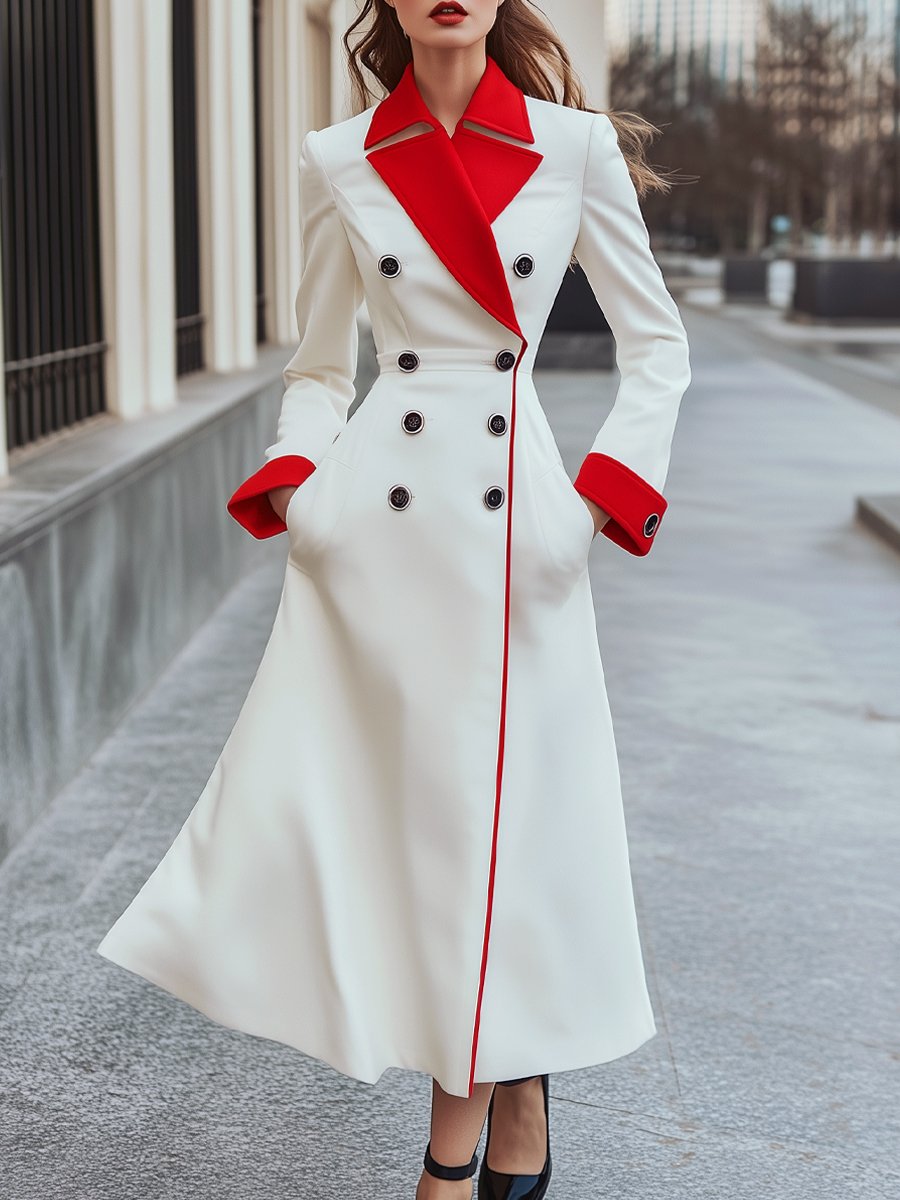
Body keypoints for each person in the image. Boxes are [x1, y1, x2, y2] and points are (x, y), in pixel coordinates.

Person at [96, 2, 692, 1198]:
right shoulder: (340, 157)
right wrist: (305, 495)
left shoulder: (572, 150)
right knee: (420, 837)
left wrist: (588, 511)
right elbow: (321, 366)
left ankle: (449, 1160)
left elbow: (657, 347)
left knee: (485, 830)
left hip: (518, 540)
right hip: (380, 541)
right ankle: (509, 1098)